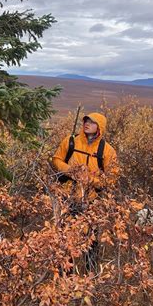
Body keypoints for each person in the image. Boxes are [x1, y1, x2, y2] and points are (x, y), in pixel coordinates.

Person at [51, 111, 120, 270]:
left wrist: (90, 180)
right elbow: (56, 159)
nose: (86, 124)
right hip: (68, 199)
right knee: (65, 239)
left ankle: (92, 276)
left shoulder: (107, 151)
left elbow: (111, 178)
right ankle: (66, 277)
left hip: (91, 201)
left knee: (91, 241)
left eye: (92, 122)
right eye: (86, 121)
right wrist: (71, 172)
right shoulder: (70, 142)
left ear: (100, 127)